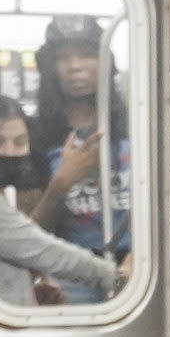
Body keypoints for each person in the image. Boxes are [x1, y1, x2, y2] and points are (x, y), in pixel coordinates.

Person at [0, 97, 118, 309]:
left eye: (20, 142)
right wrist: (123, 281)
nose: (9, 152)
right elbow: (50, 255)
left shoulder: (1, 193)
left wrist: (30, 287)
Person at [27, 14, 127, 261]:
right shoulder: (35, 136)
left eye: (86, 55)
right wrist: (61, 184)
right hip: (72, 267)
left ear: (106, 62)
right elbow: (26, 235)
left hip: (136, 264)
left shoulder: (138, 124)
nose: (75, 66)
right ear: (50, 68)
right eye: (63, 58)